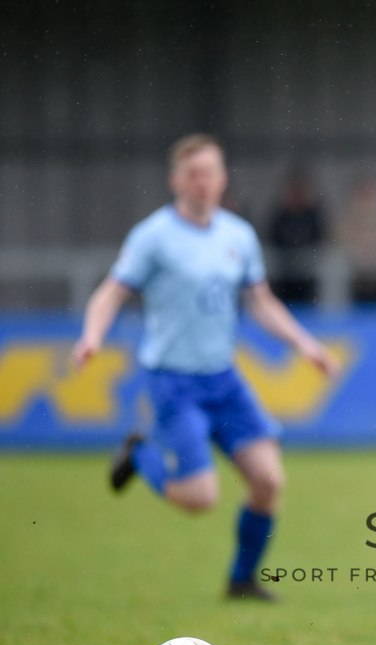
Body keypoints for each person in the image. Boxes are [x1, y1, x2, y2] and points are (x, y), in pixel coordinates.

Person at [73, 134, 339, 600]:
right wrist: (92, 335)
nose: (203, 182)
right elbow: (112, 292)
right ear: (175, 180)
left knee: (268, 481)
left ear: (222, 178)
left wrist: (305, 344)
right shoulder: (154, 236)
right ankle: (140, 454)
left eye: (210, 172)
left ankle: (241, 581)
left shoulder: (238, 235)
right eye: (193, 173)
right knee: (199, 499)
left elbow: (260, 300)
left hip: (224, 378)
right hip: (174, 382)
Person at [334, 175, 376, 305]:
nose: (368, 198)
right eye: (364, 193)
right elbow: (339, 240)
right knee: (335, 264)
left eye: (371, 193)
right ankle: (336, 311)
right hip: (353, 260)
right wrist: (359, 253)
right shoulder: (346, 218)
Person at [266, 168, 326, 306]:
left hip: (309, 268)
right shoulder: (280, 215)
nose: (298, 194)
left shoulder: (313, 215)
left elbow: (320, 240)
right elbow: (273, 239)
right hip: (284, 267)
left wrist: (303, 256)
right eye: (294, 190)